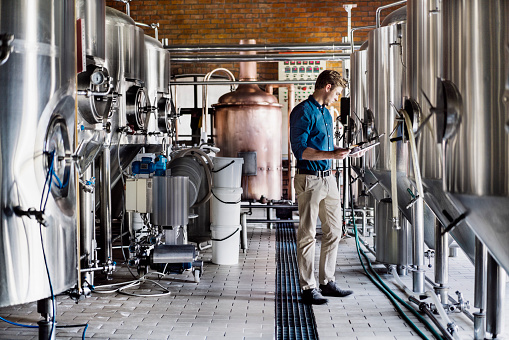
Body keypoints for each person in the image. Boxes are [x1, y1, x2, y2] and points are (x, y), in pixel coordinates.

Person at [290, 70, 357, 305]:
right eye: (337, 93)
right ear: (327, 87)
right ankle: (308, 287)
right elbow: (300, 150)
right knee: (307, 234)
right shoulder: (302, 112)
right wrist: (331, 154)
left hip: (329, 179)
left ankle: (327, 282)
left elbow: (326, 146)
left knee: (334, 231)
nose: (337, 98)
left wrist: (342, 150)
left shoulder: (327, 114)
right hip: (309, 179)